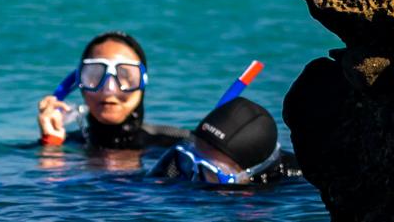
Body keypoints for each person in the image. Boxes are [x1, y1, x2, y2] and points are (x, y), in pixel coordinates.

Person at [37, 32, 187, 154]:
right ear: (80, 84)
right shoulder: (62, 146)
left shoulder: (181, 144)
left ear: (142, 83)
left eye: (125, 76)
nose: (109, 89)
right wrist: (51, 147)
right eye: (95, 76)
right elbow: (46, 187)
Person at [145, 93, 296, 189]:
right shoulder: (178, 167)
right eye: (188, 161)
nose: (193, 181)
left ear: (250, 175)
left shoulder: (296, 189)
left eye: (210, 172)